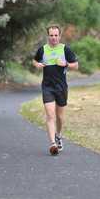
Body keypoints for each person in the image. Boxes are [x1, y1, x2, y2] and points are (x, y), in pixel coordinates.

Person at [33, 24, 78, 155]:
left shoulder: (65, 49)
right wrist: (38, 65)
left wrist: (66, 64)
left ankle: (58, 135)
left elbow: (76, 65)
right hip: (47, 86)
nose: (53, 38)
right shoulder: (42, 49)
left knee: (59, 116)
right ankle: (53, 144)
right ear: (48, 36)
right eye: (51, 35)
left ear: (59, 36)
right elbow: (35, 61)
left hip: (61, 87)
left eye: (56, 35)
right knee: (50, 115)